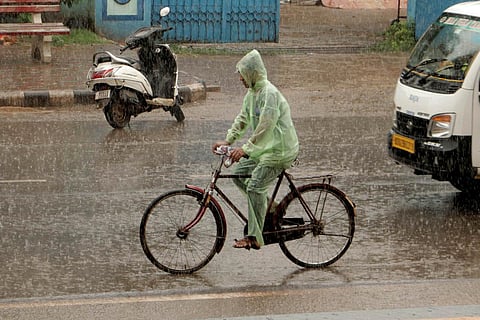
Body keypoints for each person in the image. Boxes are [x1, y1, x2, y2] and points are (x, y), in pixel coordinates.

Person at [212, 49, 299, 250]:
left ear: (253, 73)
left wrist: (245, 149)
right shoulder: (252, 94)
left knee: (254, 187)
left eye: (243, 74)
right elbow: (242, 119)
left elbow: (266, 126)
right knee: (239, 174)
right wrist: (227, 140)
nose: (241, 79)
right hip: (265, 149)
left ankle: (255, 237)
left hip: (280, 150)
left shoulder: (269, 94)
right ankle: (271, 207)